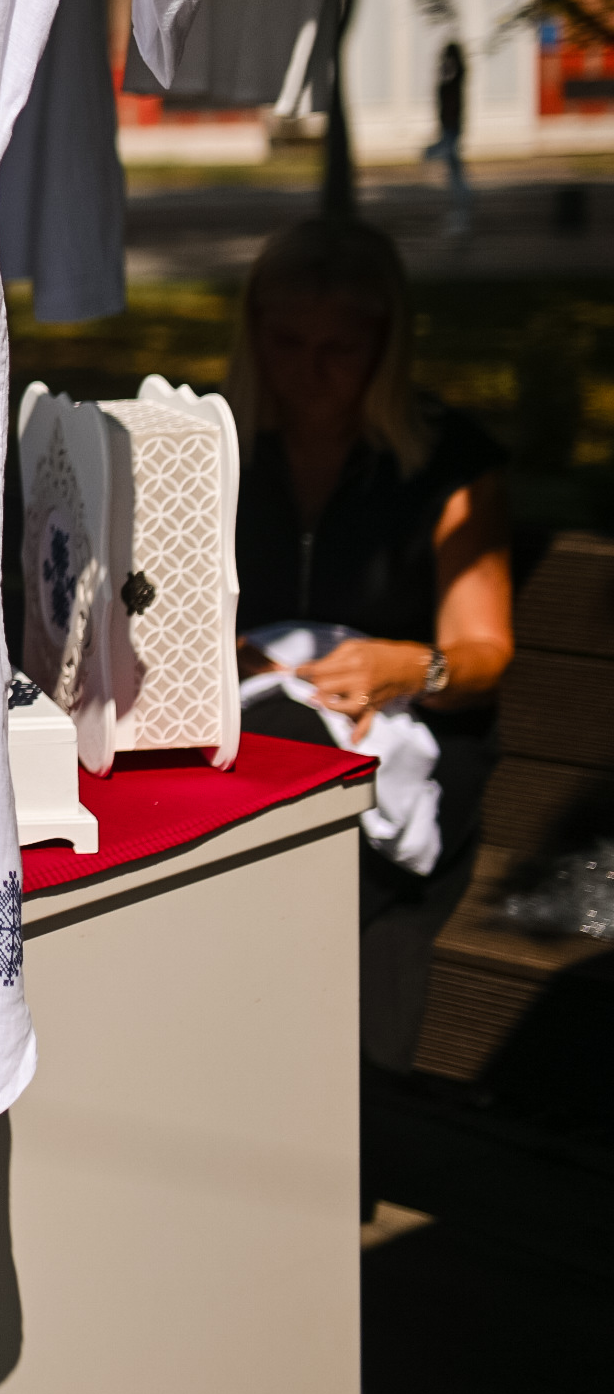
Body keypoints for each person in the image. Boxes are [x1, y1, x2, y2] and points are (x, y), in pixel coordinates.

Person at [228, 217, 513, 1071]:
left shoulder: (444, 460)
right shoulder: (226, 448)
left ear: (386, 347)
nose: (307, 372)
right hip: (257, 734)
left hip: (411, 744)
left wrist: (411, 666)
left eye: (339, 349)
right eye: (284, 341)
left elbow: (484, 656)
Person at [427, 37, 473, 238]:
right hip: (451, 129)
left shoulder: (452, 79)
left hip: (451, 129)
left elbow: (447, 103)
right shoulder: (455, 78)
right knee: (454, 170)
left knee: (453, 170)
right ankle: (462, 204)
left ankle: (462, 205)